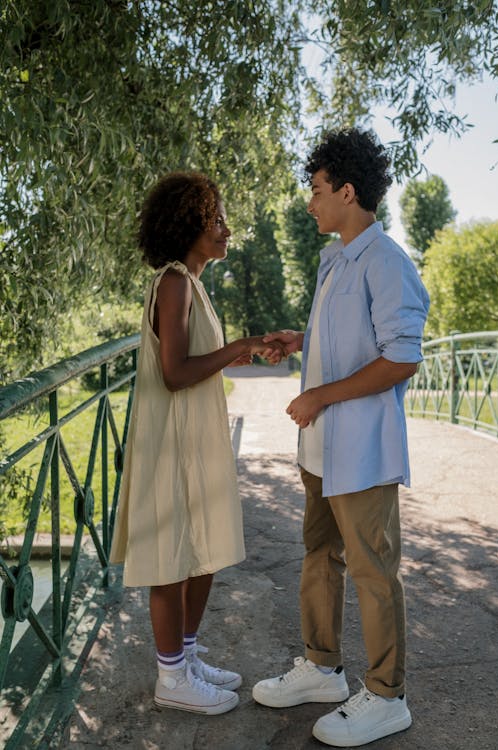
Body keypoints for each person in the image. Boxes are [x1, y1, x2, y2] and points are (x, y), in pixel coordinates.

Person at [253, 128, 430, 746]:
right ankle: (323, 668)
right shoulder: (337, 258)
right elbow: (348, 338)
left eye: (318, 189)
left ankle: (388, 696)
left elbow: (402, 359)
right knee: (318, 556)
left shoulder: (387, 263)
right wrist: (300, 342)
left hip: (361, 452)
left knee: (373, 571)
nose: (310, 202)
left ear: (348, 192)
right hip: (321, 449)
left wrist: (320, 395)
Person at [110, 171, 282, 715]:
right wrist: (239, 348)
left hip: (194, 438)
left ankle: (184, 658)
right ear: (189, 226)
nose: (226, 229)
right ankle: (170, 679)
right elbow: (175, 374)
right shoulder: (175, 281)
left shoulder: (192, 281)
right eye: (216, 220)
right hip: (172, 442)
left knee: (203, 551)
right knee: (173, 558)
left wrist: (239, 348)